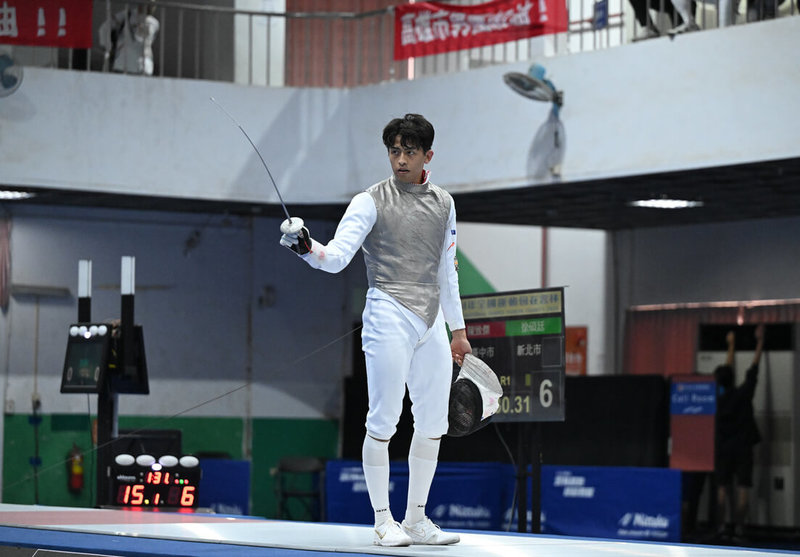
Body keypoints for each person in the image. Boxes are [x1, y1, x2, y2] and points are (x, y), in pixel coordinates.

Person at [279, 114, 471, 547]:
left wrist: (458, 330)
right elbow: (335, 258)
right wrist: (305, 245)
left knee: (433, 421)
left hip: (431, 320)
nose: (400, 159)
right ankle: (384, 520)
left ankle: (416, 519)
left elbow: (448, 270)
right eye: (394, 151)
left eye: (409, 152)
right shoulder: (369, 201)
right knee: (384, 418)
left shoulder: (444, 203)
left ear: (427, 156)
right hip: (388, 312)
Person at [714, 324, 765, 542]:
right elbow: (753, 370)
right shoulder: (744, 394)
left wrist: (731, 345)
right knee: (743, 488)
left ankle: (722, 528)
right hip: (743, 448)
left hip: (723, 448)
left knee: (722, 488)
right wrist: (760, 342)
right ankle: (739, 529)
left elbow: (726, 373)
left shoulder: (716, 400)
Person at [98, 2, 160, 76]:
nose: (151, 7)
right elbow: (104, 28)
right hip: (122, 64)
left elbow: (140, 38)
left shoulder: (154, 23)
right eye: (149, 4)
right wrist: (107, 47)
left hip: (143, 67)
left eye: (153, 5)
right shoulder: (126, 15)